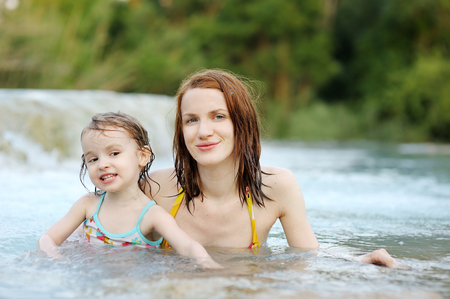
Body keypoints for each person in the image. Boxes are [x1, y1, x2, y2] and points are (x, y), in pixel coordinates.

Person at [146, 69, 404, 268]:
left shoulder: (277, 186)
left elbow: (307, 255)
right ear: (181, 130)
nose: (203, 132)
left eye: (218, 116)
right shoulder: (155, 189)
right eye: (191, 120)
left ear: (242, 123)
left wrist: (358, 260)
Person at [37, 112, 220, 268]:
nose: (102, 164)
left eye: (114, 153)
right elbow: (48, 239)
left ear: (142, 156)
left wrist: (209, 265)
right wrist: (57, 261)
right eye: (92, 159)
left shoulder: (151, 215)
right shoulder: (88, 205)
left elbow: (187, 246)